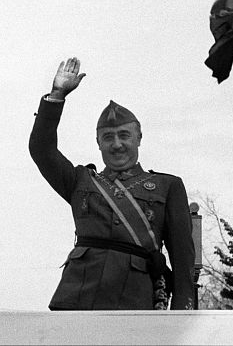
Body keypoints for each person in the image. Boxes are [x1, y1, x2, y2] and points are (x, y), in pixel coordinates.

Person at [29, 57, 196, 310]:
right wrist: (57, 96)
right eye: (108, 137)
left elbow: (183, 260)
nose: (116, 144)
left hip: (136, 305)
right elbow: (41, 149)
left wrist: (183, 316)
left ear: (139, 138)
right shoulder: (80, 181)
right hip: (78, 302)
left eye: (124, 135)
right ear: (98, 143)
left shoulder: (168, 186)